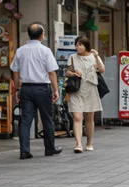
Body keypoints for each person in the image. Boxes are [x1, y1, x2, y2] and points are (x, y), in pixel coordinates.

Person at [11, 22, 62, 159]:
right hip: (42, 88)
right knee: (47, 118)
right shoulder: (45, 51)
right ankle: (50, 148)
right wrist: (56, 89)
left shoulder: (20, 50)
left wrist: (17, 89)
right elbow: (52, 72)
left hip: (26, 88)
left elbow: (15, 71)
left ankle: (24, 150)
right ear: (41, 35)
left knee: (26, 120)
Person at [65, 36, 104, 153]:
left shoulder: (93, 57)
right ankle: (78, 144)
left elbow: (102, 69)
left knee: (89, 118)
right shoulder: (72, 57)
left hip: (90, 89)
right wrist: (73, 73)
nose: (77, 47)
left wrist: (97, 56)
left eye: (80, 44)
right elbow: (67, 72)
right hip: (76, 89)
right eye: (76, 44)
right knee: (77, 117)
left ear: (86, 46)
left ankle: (89, 142)